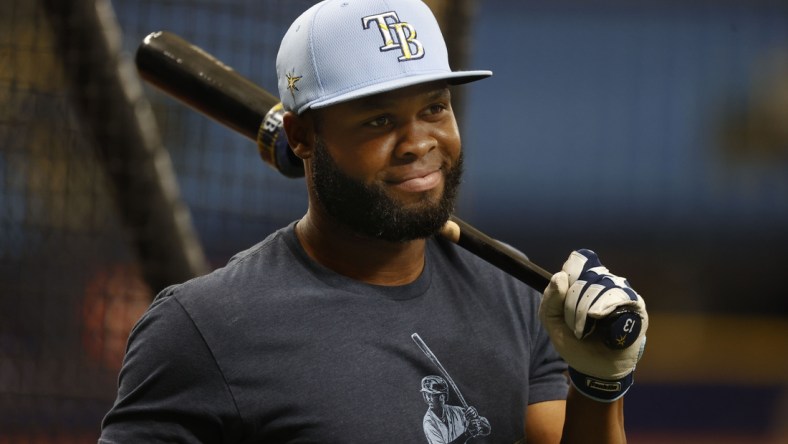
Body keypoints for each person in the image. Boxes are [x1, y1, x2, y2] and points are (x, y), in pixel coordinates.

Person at [99, 0, 648, 442]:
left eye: (434, 107)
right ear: (301, 137)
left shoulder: (513, 293)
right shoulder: (202, 328)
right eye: (380, 119)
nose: (418, 143)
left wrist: (599, 385)